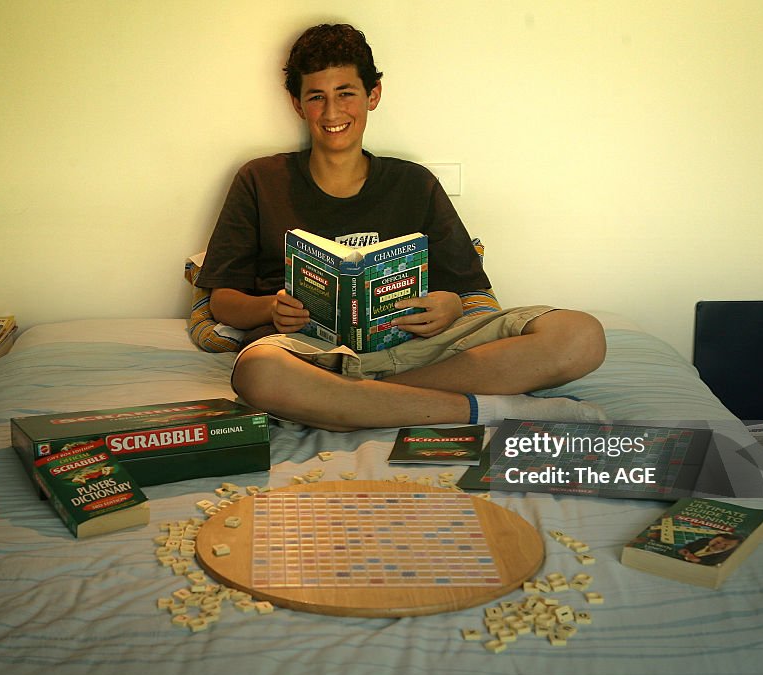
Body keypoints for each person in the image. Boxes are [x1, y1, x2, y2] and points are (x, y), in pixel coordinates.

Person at [195, 23, 606, 431]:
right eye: (317, 97)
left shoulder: (414, 183)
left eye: (346, 94)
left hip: (417, 352)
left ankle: (348, 402)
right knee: (257, 374)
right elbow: (222, 301)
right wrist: (270, 307)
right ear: (298, 104)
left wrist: (451, 305)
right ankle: (494, 409)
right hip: (308, 356)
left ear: (373, 94)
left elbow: (471, 293)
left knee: (580, 335)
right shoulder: (259, 179)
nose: (333, 112)